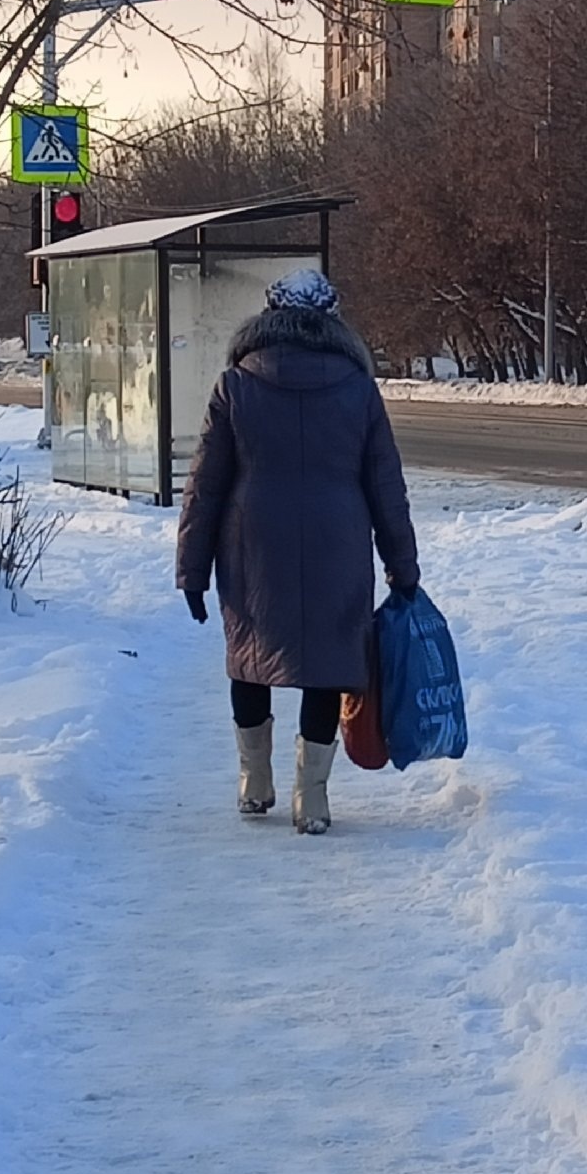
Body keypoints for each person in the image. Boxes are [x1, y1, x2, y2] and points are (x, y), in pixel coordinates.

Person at [176, 269, 418, 834]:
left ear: (268, 318)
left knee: (251, 658)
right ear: (332, 320)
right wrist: (403, 568)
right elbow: (387, 485)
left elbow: (205, 484)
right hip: (339, 541)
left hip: (252, 545)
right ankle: (311, 799)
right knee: (326, 666)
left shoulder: (236, 384)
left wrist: (192, 569)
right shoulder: (359, 390)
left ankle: (253, 781)